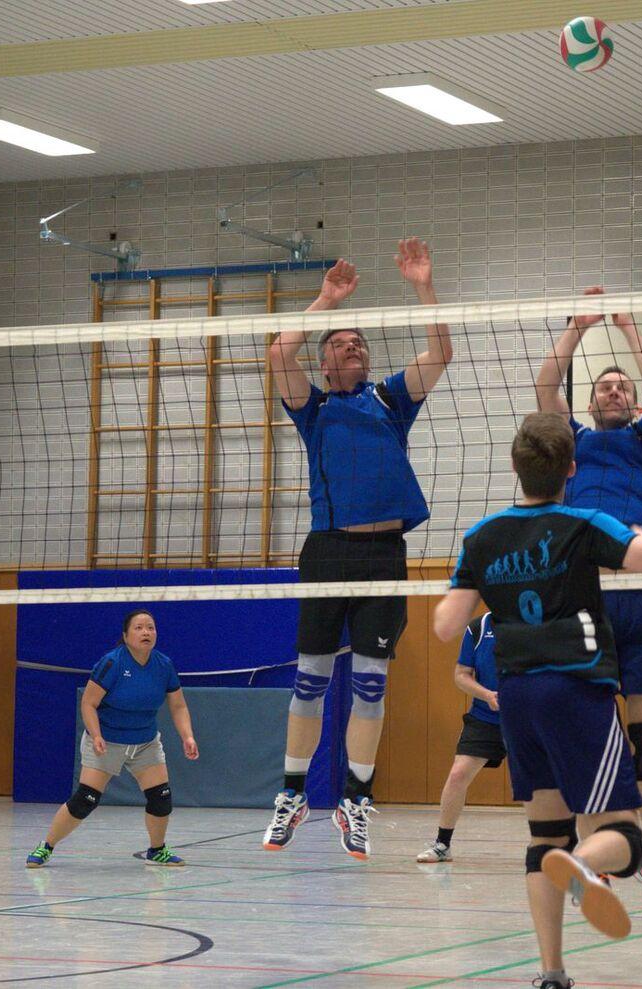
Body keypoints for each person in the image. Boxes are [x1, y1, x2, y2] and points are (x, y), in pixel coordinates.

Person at [434, 413, 642, 989]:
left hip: (516, 695)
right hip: (576, 689)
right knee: (625, 840)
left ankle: (552, 971)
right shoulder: (583, 522)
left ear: (514, 468)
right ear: (572, 469)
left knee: (544, 837)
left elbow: (447, 625)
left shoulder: (483, 537)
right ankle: (580, 868)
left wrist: (480, 587)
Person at [262, 237, 452, 860]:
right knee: (312, 678)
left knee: (372, 684)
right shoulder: (312, 408)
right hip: (327, 553)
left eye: (360, 343)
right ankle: (292, 793)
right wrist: (325, 299)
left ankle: (355, 800)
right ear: (325, 365)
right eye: (342, 345)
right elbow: (277, 352)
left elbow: (441, 351)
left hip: (384, 557)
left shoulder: (391, 400)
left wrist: (422, 286)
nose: (355, 347)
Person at [534, 288, 642, 915]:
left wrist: (626, 327)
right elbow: (546, 387)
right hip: (583, 596)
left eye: (622, 388)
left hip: (640, 593)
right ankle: (591, 858)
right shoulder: (570, 445)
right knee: (585, 729)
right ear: (591, 401)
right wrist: (577, 327)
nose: (616, 391)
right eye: (605, 388)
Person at [26, 609, 198, 869]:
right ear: (126, 635)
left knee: (161, 796)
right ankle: (46, 846)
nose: (146, 632)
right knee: (85, 800)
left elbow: (178, 706)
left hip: (145, 742)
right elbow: (88, 703)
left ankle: (157, 850)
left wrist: (187, 736)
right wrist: (95, 735)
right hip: (107, 741)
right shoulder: (112, 663)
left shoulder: (163, 665)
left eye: (150, 628)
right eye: (139, 628)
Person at [416, 612, 504, 864]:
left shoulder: (536, 621)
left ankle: (555, 845)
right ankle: (443, 844)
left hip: (527, 716)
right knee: (458, 774)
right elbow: (461, 674)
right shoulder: (479, 627)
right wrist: (487, 695)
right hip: (485, 716)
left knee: (545, 781)